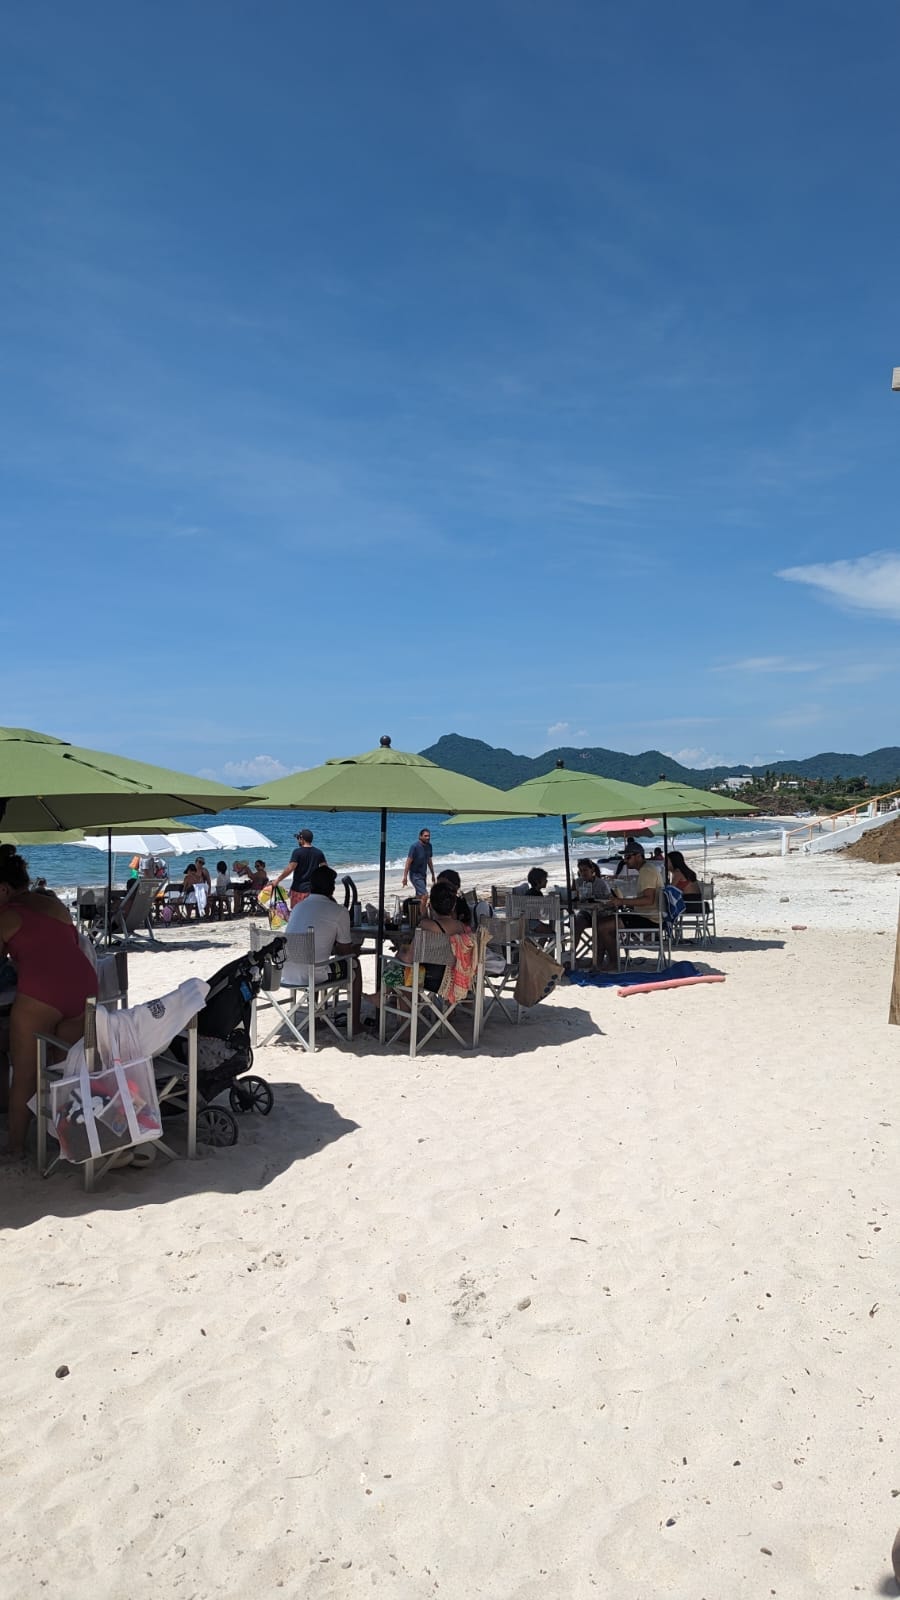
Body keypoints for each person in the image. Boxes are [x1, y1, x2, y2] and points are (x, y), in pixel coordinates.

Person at [0, 845, 98, 1158]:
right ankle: (65, 1137)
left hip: (42, 994)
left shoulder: (5, 915)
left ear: (3, 889)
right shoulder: (53, 903)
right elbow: (60, 946)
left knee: (25, 1072)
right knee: (62, 1069)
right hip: (84, 987)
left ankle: (16, 1147)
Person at [282, 865, 362, 1030]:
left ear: (311, 887)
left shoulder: (298, 908)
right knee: (355, 965)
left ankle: (316, 1019)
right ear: (332, 888)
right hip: (314, 974)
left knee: (315, 959)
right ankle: (354, 1023)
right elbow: (344, 952)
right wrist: (355, 951)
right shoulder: (339, 911)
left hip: (286, 972)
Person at [593, 844, 661, 967]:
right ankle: (599, 961)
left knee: (602, 926)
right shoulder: (647, 869)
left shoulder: (647, 871)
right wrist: (627, 903)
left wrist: (622, 902)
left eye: (628, 857)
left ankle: (613, 962)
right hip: (647, 914)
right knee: (602, 923)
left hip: (649, 918)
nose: (625, 860)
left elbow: (648, 900)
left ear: (639, 856)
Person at [273, 829, 327, 908]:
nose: (297, 840)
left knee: (297, 913)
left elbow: (290, 868)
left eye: (298, 838)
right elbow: (325, 870)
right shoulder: (319, 853)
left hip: (298, 889)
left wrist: (277, 880)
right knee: (311, 912)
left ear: (302, 839)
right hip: (313, 890)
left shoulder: (297, 852)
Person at [402, 828, 435, 904]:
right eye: (425, 836)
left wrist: (433, 874)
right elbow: (408, 862)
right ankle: (423, 915)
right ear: (420, 837)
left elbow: (429, 861)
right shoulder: (414, 847)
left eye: (429, 836)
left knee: (420, 896)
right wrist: (405, 877)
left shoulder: (429, 846)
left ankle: (417, 913)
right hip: (415, 875)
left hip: (423, 874)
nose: (428, 838)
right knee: (425, 895)